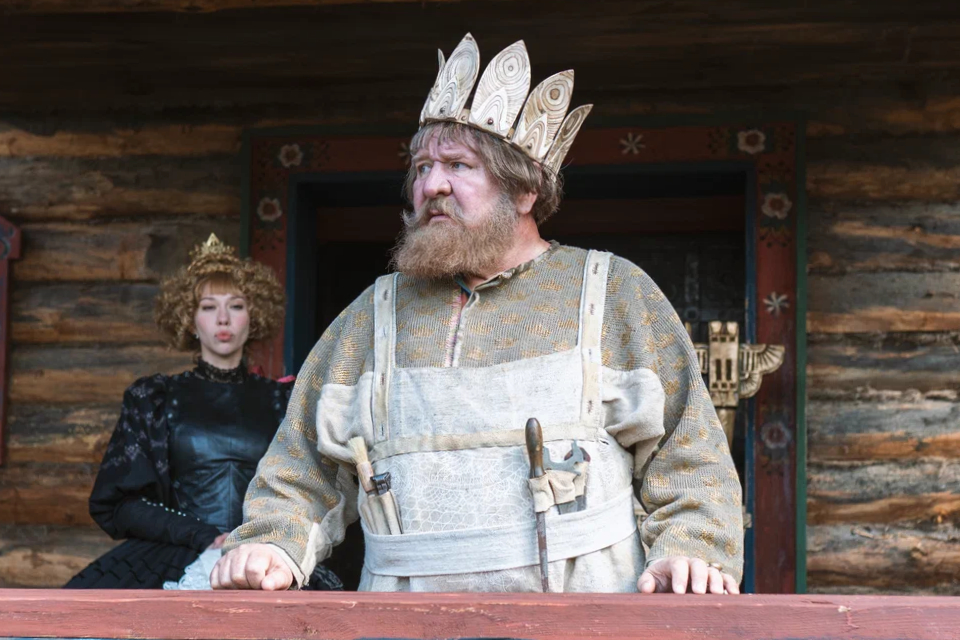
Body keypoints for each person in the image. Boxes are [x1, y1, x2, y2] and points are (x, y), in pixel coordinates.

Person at [212, 34, 743, 595]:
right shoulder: (373, 314)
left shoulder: (614, 293)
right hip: (404, 625)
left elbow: (690, 459)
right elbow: (302, 469)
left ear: (525, 191)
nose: (430, 185)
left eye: (457, 165)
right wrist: (273, 543)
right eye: (421, 167)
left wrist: (692, 550)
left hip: (582, 624)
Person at [65, 234, 341, 590]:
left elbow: (312, 490)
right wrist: (203, 535)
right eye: (208, 307)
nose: (223, 319)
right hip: (176, 555)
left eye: (236, 306)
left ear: (253, 317)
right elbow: (119, 503)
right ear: (189, 320)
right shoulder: (155, 398)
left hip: (265, 559)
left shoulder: (285, 400)